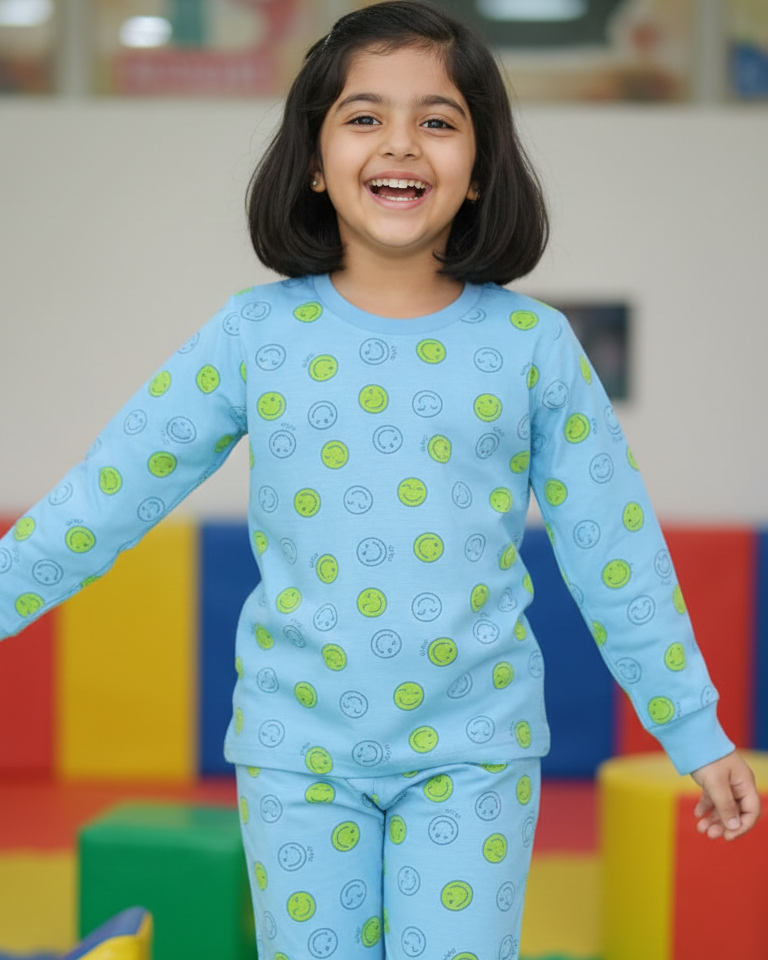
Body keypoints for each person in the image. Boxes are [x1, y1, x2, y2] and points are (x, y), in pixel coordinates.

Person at [0, 2, 760, 958]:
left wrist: (693, 729)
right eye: (364, 117)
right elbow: (108, 494)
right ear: (313, 161)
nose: (400, 143)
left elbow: (616, 551)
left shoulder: (531, 348)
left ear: (479, 169)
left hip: (476, 754)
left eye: (437, 121)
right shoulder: (254, 335)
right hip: (295, 755)